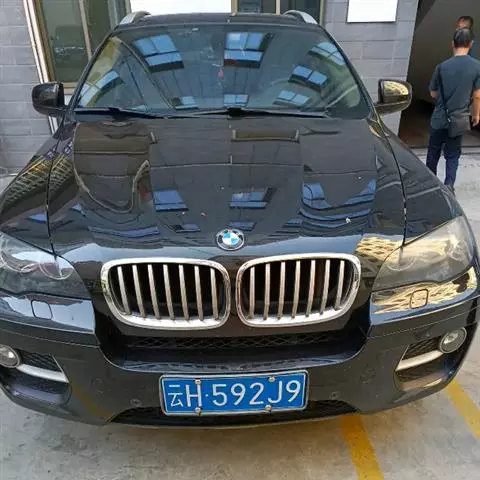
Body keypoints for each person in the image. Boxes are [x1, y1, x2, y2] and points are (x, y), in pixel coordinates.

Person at [426, 28, 480, 194]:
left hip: (439, 118)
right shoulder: (476, 66)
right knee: (453, 154)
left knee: (433, 152)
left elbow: (432, 93)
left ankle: (431, 185)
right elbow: (477, 95)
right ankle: (449, 185)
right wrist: (476, 114)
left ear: (452, 44)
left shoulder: (442, 67)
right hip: (459, 119)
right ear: (470, 44)